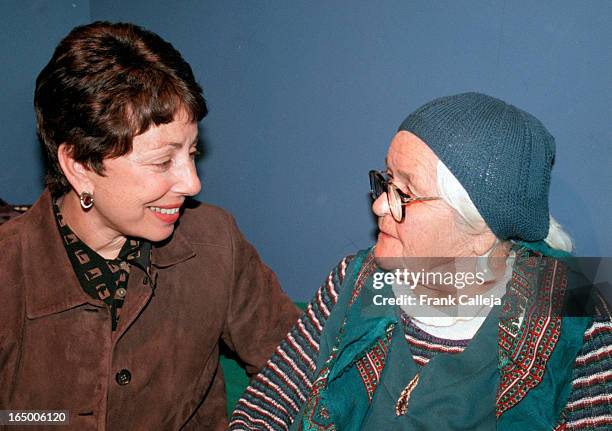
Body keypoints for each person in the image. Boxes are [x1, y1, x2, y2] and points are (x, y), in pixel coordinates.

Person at [230, 93, 612, 430]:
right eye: (386, 180)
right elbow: (264, 409)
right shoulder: (356, 280)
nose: (379, 204)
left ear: (482, 229)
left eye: (405, 193)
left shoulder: (581, 303)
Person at [0, 21, 301, 430]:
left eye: (193, 152)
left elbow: (296, 375)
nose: (192, 182)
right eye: (163, 162)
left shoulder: (215, 241)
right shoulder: (8, 272)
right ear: (80, 166)